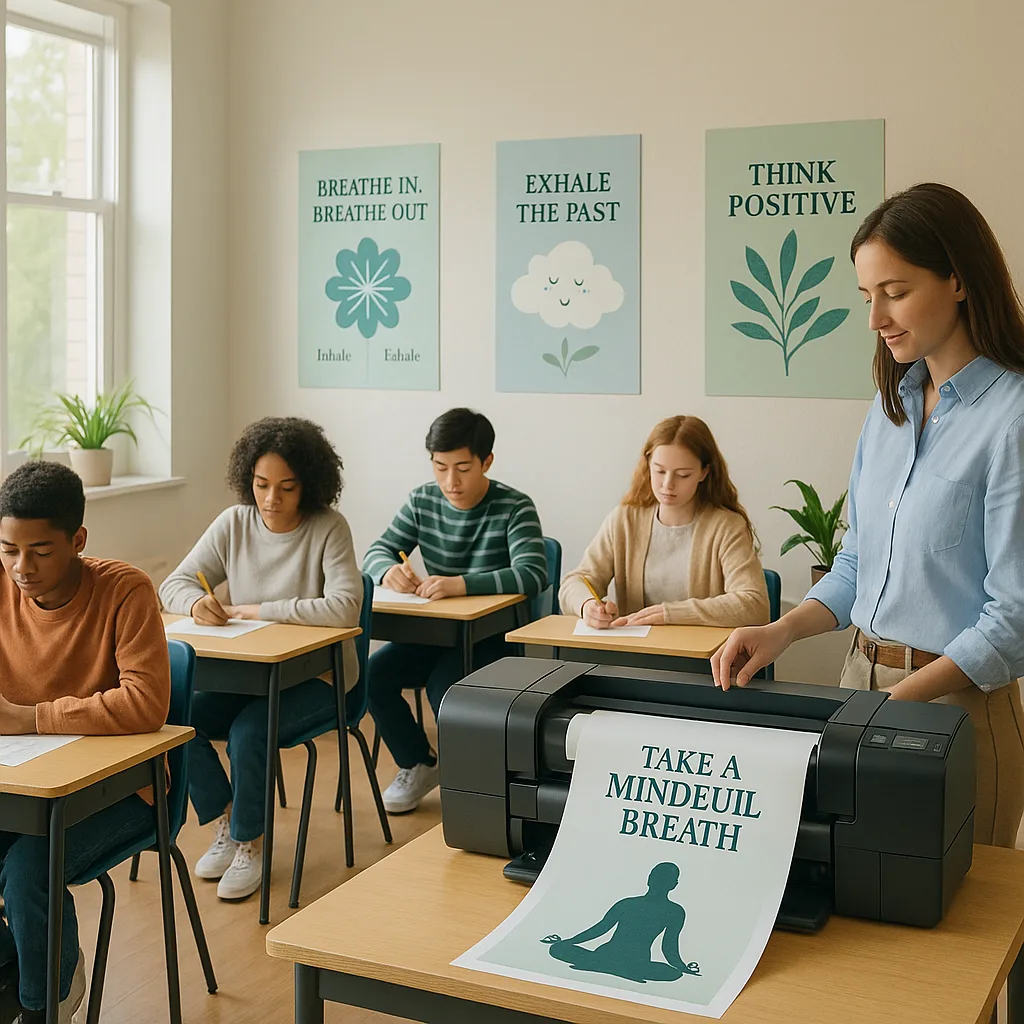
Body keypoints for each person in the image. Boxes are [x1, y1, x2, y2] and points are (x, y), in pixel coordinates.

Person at [712, 183, 1024, 848]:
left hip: (955, 705)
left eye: (895, 291)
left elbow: (1013, 620)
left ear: (959, 280)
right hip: (858, 680)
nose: (875, 316)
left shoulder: (1013, 418)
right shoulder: (890, 410)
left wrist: (892, 708)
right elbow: (858, 563)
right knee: (859, 905)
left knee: (954, 932)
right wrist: (784, 630)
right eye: (866, 296)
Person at [159, 417, 361, 900]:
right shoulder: (233, 522)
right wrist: (194, 603)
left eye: (286, 488)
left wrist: (253, 609)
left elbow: (345, 606)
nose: (271, 499)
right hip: (252, 675)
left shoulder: (328, 528)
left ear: (308, 485)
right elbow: (173, 584)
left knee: (251, 731)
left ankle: (252, 844)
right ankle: (226, 823)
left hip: (324, 678)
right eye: (261, 485)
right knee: (173, 719)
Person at [0, 461, 170, 1023]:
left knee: (29, 867)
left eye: (41, 551)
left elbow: (146, 703)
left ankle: (46, 1001)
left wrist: (31, 718)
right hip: (25, 785)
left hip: (124, 790)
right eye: (8, 549)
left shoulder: (125, 590)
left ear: (77, 541)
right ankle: (16, 969)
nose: (22, 567)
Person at [363, 407, 546, 814]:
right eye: (440, 467)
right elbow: (375, 551)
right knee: (372, 675)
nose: (451, 481)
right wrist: (388, 570)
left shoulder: (514, 507)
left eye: (462, 468)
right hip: (434, 634)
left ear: (487, 461)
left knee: (444, 689)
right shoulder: (422, 501)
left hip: (492, 639)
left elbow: (533, 573)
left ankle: (475, 787)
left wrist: (460, 584)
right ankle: (419, 762)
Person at [560, 415, 769, 629]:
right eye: (659, 471)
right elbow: (574, 582)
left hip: (702, 658)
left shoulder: (727, 527)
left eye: (683, 475)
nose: (668, 485)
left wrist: (669, 614)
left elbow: (754, 605)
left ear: (704, 472)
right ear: (648, 464)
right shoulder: (624, 520)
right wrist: (587, 606)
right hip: (634, 655)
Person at [541, 862, 700, 983]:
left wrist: (681, 967)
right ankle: (618, 968)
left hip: (626, 959)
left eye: (663, 879)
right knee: (558, 948)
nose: (657, 880)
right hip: (619, 958)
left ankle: (602, 965)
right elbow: (601, 928)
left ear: (673, 884)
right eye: (656, 876)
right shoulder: (628, 903)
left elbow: (668, 945)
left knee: (674, 974)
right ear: (649, 878)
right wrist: (568, 942)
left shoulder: (674, 911)